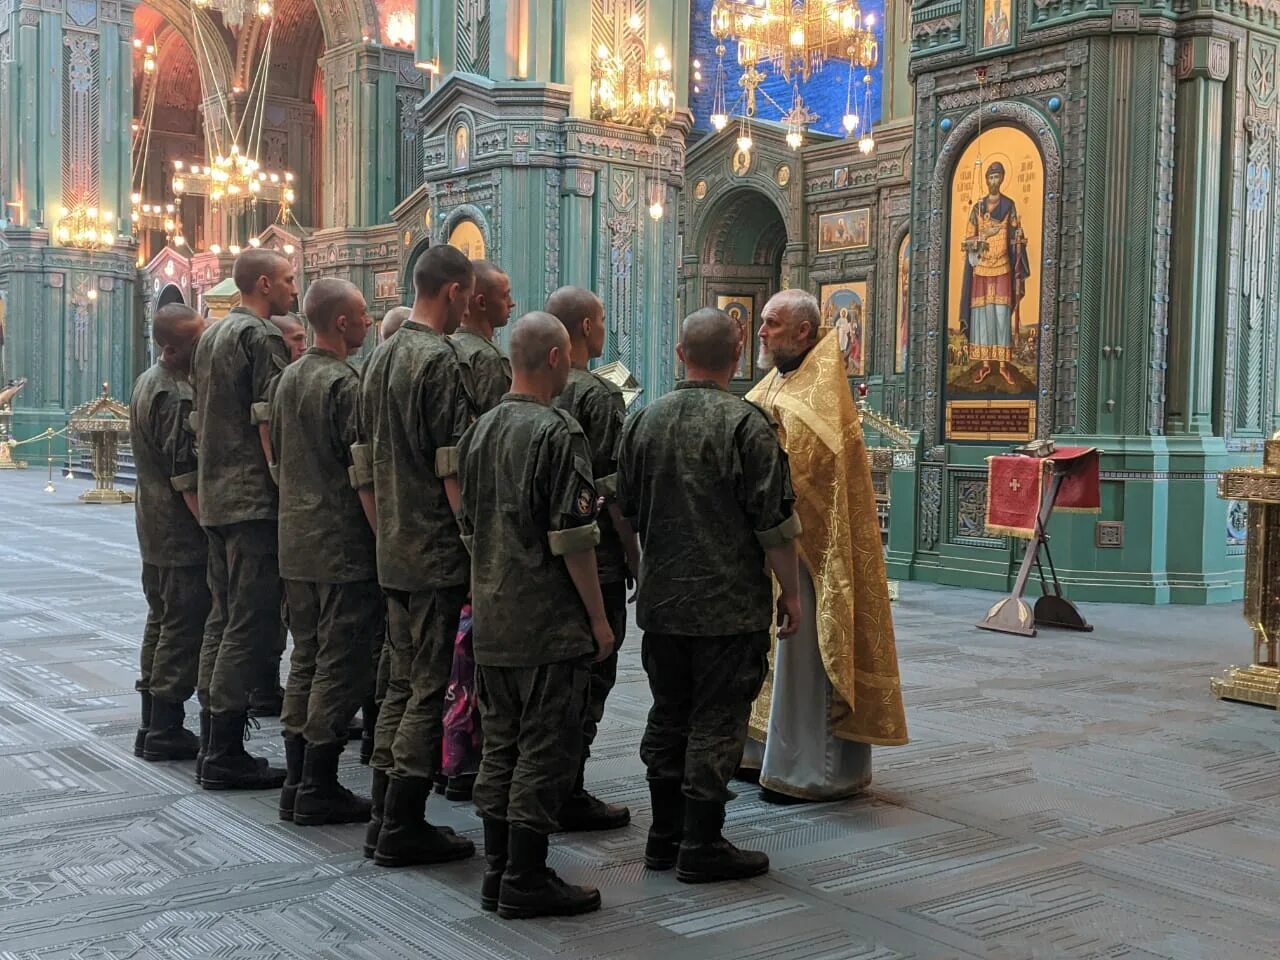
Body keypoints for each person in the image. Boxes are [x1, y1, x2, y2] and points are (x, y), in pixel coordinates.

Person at [617, 307, 802, 884]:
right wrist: (791, 595)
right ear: (739, 357)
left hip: (663, 605)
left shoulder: (643, 422)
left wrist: (643, 568)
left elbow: (621, 509)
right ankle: (701, 842)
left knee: (669, 714)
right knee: (718, 722)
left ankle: (662, 835)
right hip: (728, 609)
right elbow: (775, 525)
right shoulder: (748, 426)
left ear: (679, 353)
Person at [456, 311, 614, 919]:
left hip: (494, 614)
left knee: (500, 743)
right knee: (544, 747)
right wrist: (598, 622)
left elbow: (467, 523)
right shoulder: (558, 432)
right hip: (547, 622)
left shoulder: (481, 429)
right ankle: (525, 875)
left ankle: (497, 868)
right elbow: (574, 537)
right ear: (555, 358)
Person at [741, 290, 909, 802]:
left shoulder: (821, 398)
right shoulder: (776, 382)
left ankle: (810, 769)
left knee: (805, 660)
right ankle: (760, 752)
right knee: (769, 658)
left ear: (804, 333)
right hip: (767, 551)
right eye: (763, 323)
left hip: (812, 559)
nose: (762, 333)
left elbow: (806, 475)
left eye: (772, 324)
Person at [353, 245, 475, 867]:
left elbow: (365, 464)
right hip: (433, 550)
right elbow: (452, 467)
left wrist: (383, 532)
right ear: (453, 291)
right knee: (428, 687)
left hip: (393, 543)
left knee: (399, 683)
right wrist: (474, 541)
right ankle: (404, 823)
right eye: (468, 296)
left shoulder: (381, 356)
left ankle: (381, 814)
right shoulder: (439, 359)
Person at [270, 277, 383, 826]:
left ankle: (296, 779)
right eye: (362, 314)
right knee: (342, 664)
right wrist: (384, 537)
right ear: (341, 322)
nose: (367, 321)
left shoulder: (287, 378)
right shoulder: (345, 384)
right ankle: (318, 783)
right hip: (341, 547)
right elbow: (363, 475)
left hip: (295, 542)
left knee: (307, 659)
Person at [191, 248, 295, 791]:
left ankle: (212, 738)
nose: (293, 289)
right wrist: (283, 479)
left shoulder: (211, 333)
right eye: (287, 280)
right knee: (249, 621)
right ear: (263, 284)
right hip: (253, 499)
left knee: (221, 616)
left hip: (216, 495)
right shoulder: (261, 337)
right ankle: (226, 750)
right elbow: (268, 418)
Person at [545, 285, 638, 832]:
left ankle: (551, 784)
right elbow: (612, 489)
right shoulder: (598, 396)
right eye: (601, 320)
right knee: (593, 674)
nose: (605, 330)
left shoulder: (532, 389)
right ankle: (568, 788)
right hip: (595, 555)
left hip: (543, 558)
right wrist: (634, 553)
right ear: (584, 328)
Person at [441, 260, 515, 801]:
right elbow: (486, 453)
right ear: (480, 301)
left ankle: (451, 758)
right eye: (506, 294)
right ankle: (471, 759)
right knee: (479, 657)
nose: (512, 303)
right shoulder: (484, 361)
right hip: (477, 530)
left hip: (426, 529)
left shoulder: (439, 352)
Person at [128, 304, 210, 763]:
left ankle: (151, 722)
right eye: (195, 343)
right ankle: (166, 726)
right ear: (171, 348)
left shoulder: (146, 380)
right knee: (181, 624)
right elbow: (185, 473)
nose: (202, 350)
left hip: (153, 525)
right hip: (179, 531)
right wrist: (209, 529)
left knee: (160, 620)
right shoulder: (174, 394)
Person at [960, 161, 1030, 386]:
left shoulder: (1009, 205)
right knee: (983, 317)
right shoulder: (977, 208)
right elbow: (967, 240)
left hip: (1002, 267)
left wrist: (1019, 239)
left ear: (1002, 179)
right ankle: (985, 365)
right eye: (990, 177)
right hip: (981, 269)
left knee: (1000, 315)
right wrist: (985, 235)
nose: (993, 181)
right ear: (986, 180)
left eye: (997, 177)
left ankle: (1003, 366)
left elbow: (1015, 233)